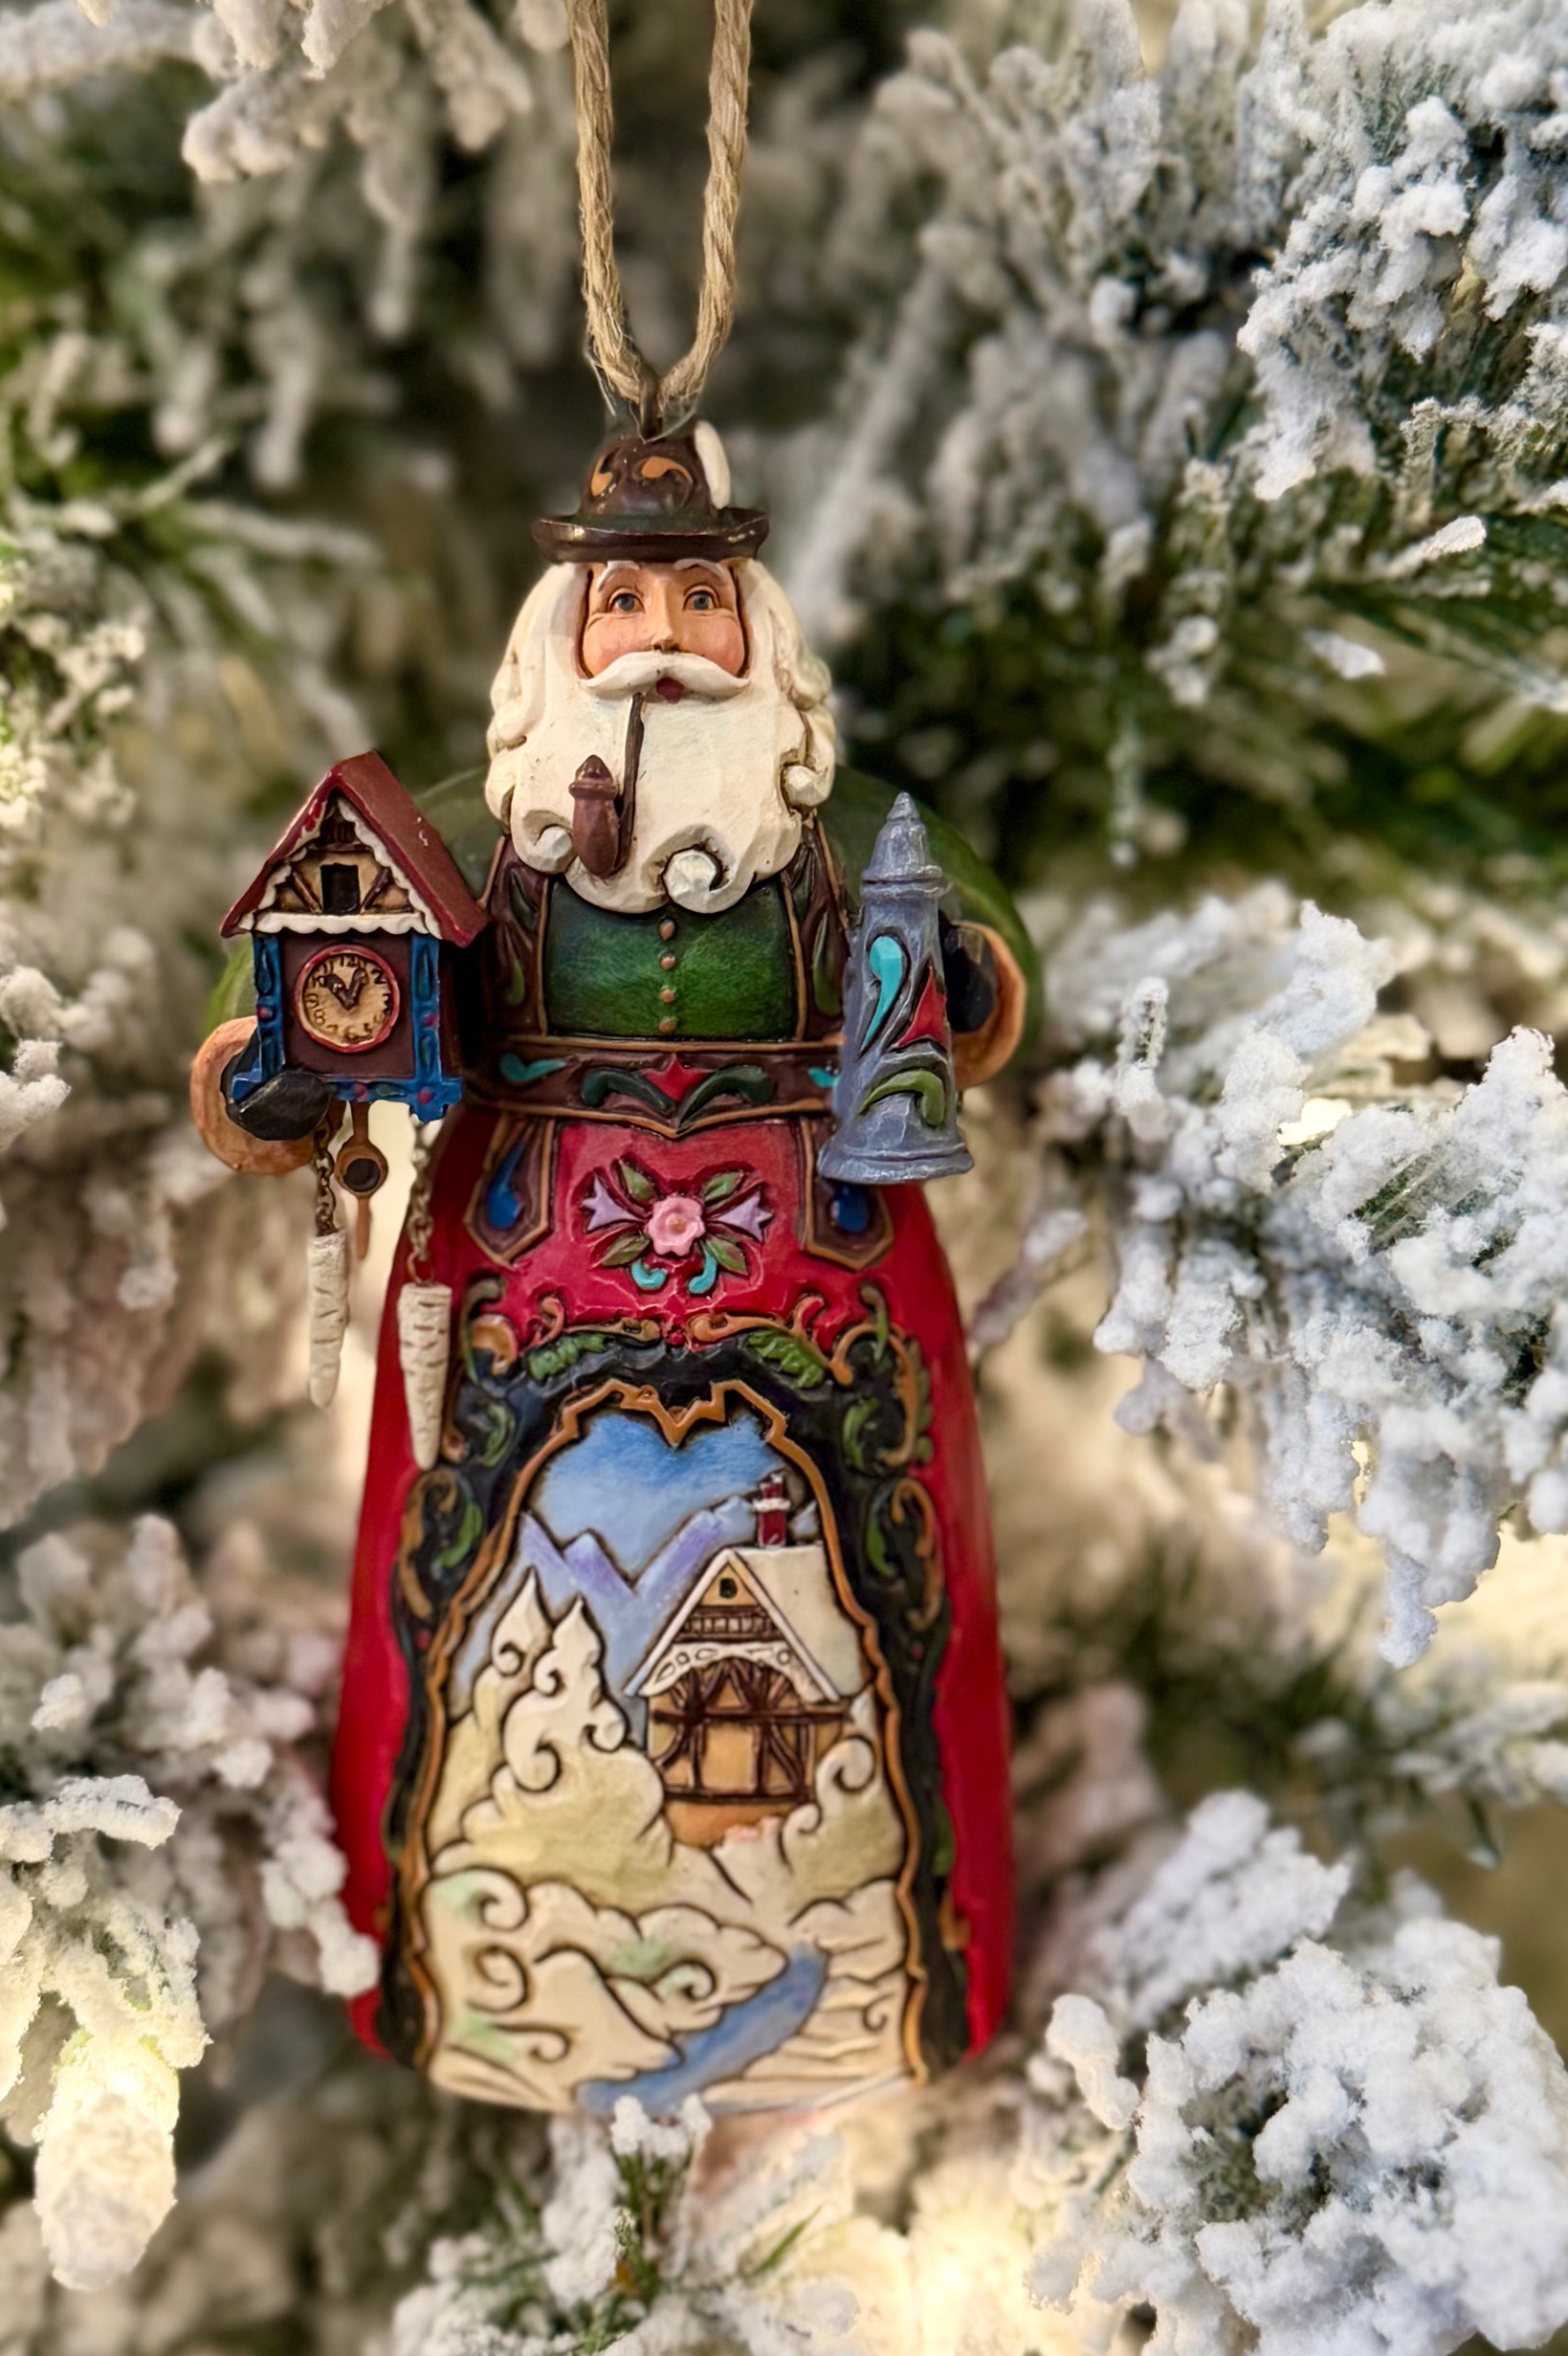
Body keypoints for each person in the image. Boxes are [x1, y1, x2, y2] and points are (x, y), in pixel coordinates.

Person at [193, 421, 1036, 2115]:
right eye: (627, 600)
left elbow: (990, 978)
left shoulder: (845, 832)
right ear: (560, 636)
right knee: (472, 1575)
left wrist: (954, 978)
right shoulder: (467, 833)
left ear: (757, 630)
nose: (663, 634)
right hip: (524, 1256)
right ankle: (466, 1973)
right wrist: (272, 1073)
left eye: (700, 598)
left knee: (868, 1572)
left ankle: (889, 1971)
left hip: (819, 1253)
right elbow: (278, 1000)